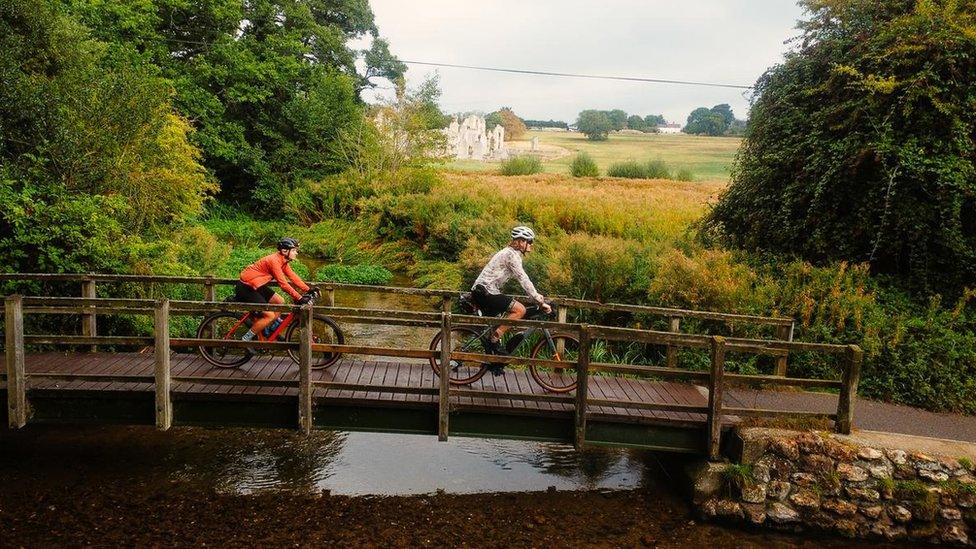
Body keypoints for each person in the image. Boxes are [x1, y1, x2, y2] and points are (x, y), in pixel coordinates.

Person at [471, 226, 551, 358]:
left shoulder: (511, 254)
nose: (531, 245)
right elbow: (523, 279)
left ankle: (493, 355)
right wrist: (538, 300)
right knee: (520, 310)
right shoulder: (510, 255)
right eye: (529, 241)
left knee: (509, 314)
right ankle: (494, 339)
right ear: (520, 241)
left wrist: (536, 297)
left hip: (486, 291)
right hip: (486, 292)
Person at [233, 237, 318, 342]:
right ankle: (245, 339)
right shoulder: (274, 261)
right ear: (285, 251)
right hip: (246, 288)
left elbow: (293, 277)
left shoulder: (283, 261)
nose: (296, 253)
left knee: (279, 301)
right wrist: (299, 298)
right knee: (269, 315)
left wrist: (308, 289)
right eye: (294, 250)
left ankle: (268, 328)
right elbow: (283, 284)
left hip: (256, 285)